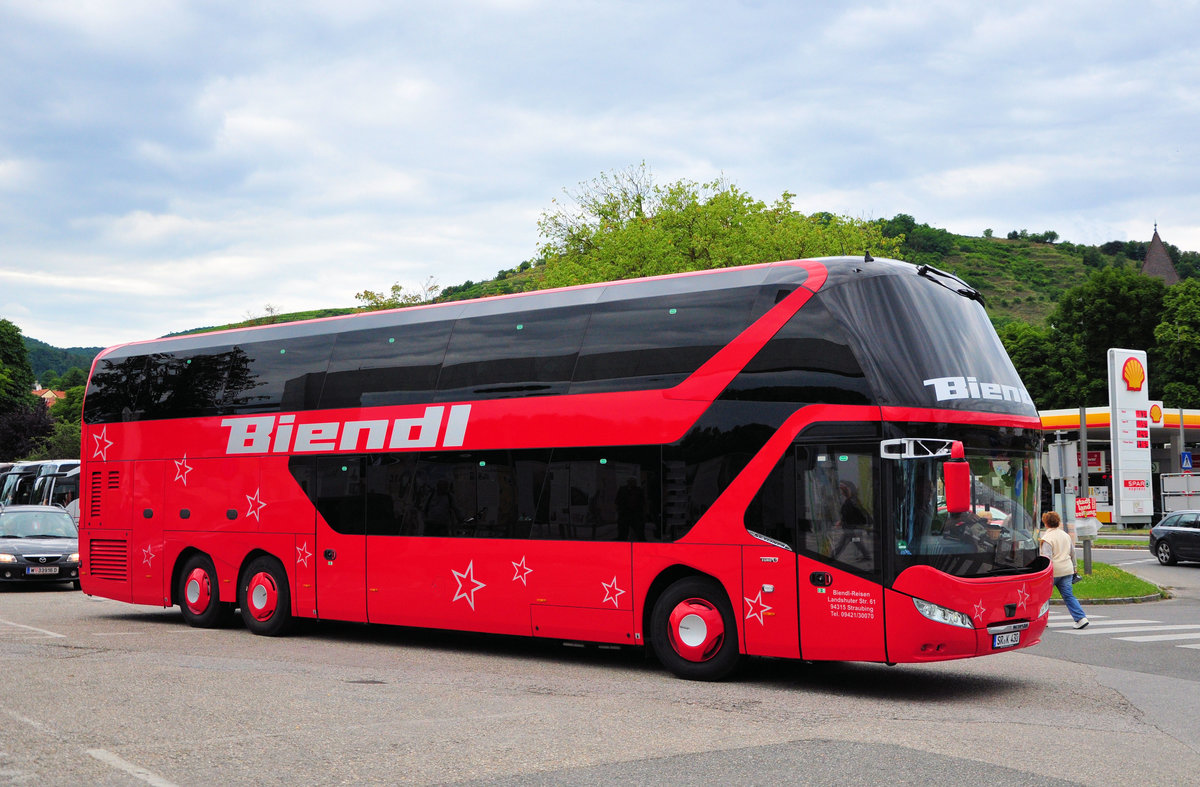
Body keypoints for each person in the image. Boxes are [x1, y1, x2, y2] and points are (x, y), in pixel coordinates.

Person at [1040, 511, 1088, 628]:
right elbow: (1072, 553)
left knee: (1043, 597)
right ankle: (1081, 618)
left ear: (1046, 523)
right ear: (1058, 522)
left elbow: (1047, 558)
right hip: (1067, 570)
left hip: (1053, 572)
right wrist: (1074, 567)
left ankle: (1043, 620)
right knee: (1068, 596)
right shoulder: (1065, 535)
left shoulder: (1046, 538)